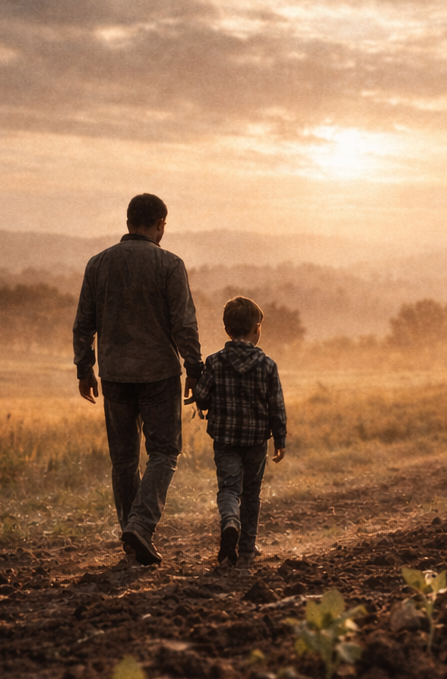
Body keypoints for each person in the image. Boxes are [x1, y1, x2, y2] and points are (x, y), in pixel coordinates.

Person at [73, 193, 202, 566]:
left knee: (124, 460)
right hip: (160, 373)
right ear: (161, 224)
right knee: (164, 452)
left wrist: (85, 369)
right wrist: (194, 368)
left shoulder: (97, 264)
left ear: (128, 221)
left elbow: (84, 325)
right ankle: (141, 526)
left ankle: (132, 538)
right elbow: (184, 323)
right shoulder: (170, 264)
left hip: (113, 375)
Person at [192, 296, 287, 567]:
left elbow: (202, 396)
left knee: (229, 489)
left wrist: (204, 399)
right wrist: (279, 440)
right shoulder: (268, 365)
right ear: (257, 328)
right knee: (251, 492)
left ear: (226, 329)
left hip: (224, 439)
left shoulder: (214, 362)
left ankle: (230, 521)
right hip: (257, 440)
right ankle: (246, 549)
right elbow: (276, 406)